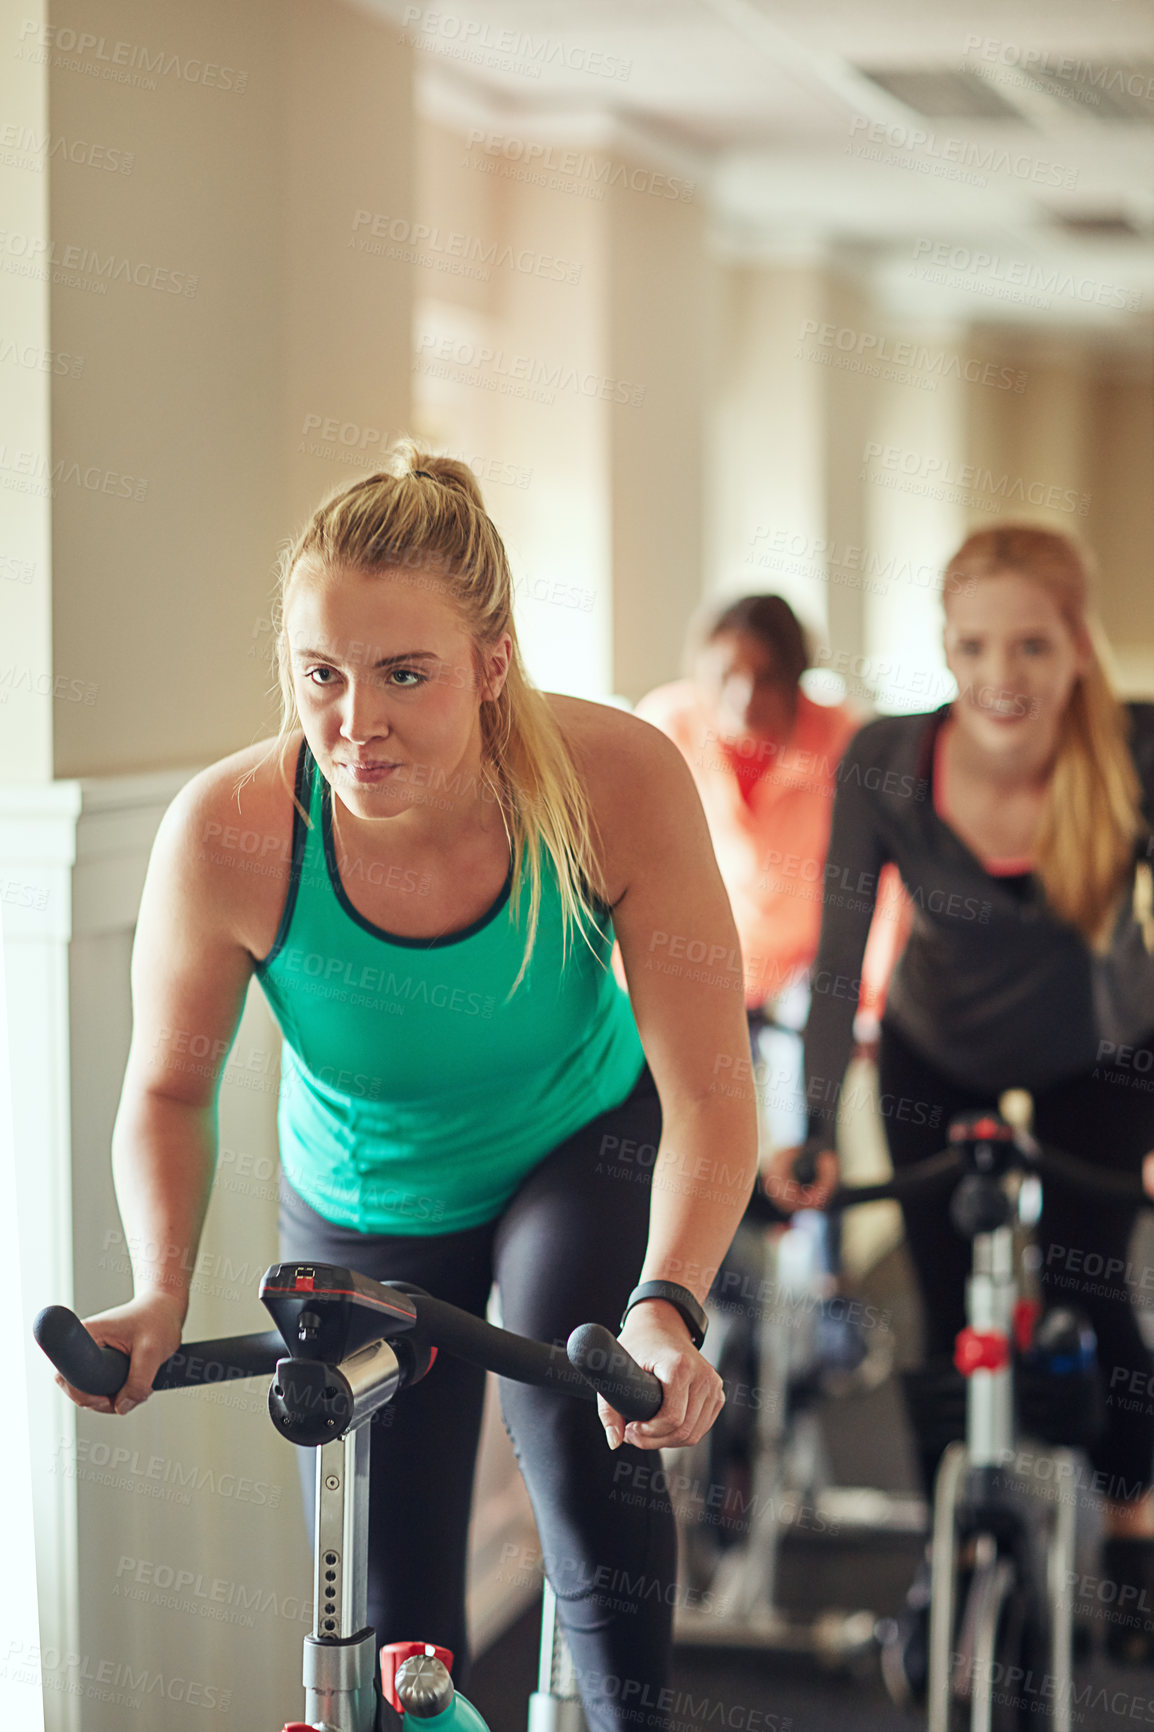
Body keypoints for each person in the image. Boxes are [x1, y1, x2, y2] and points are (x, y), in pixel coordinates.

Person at [55, 445, 758, 1732]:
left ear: (490, 665)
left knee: (585, 1436)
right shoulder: (231, 832)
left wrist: (666, 1302)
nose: (352, 721)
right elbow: (166, 1090)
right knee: (392, 1588)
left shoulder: (614, 780)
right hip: (369, 1193)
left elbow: (709, 1084)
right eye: (320, 674)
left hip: (577, 1143)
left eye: (404, 674)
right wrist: (160, 1290)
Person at [765, 522, 1154, 1677]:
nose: (1000, 676)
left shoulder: (1130, 748)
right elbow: (839, 961)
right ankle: (950, 1542)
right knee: (946, 1314)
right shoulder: (885, 761)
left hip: (1102, 1050)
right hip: (937, 1055)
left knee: (1089, 1289)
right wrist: (811, 1128)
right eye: (972, 644)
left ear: (1075, 646)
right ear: (943, 642)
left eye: (1030, 644)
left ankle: (1131, 1524)